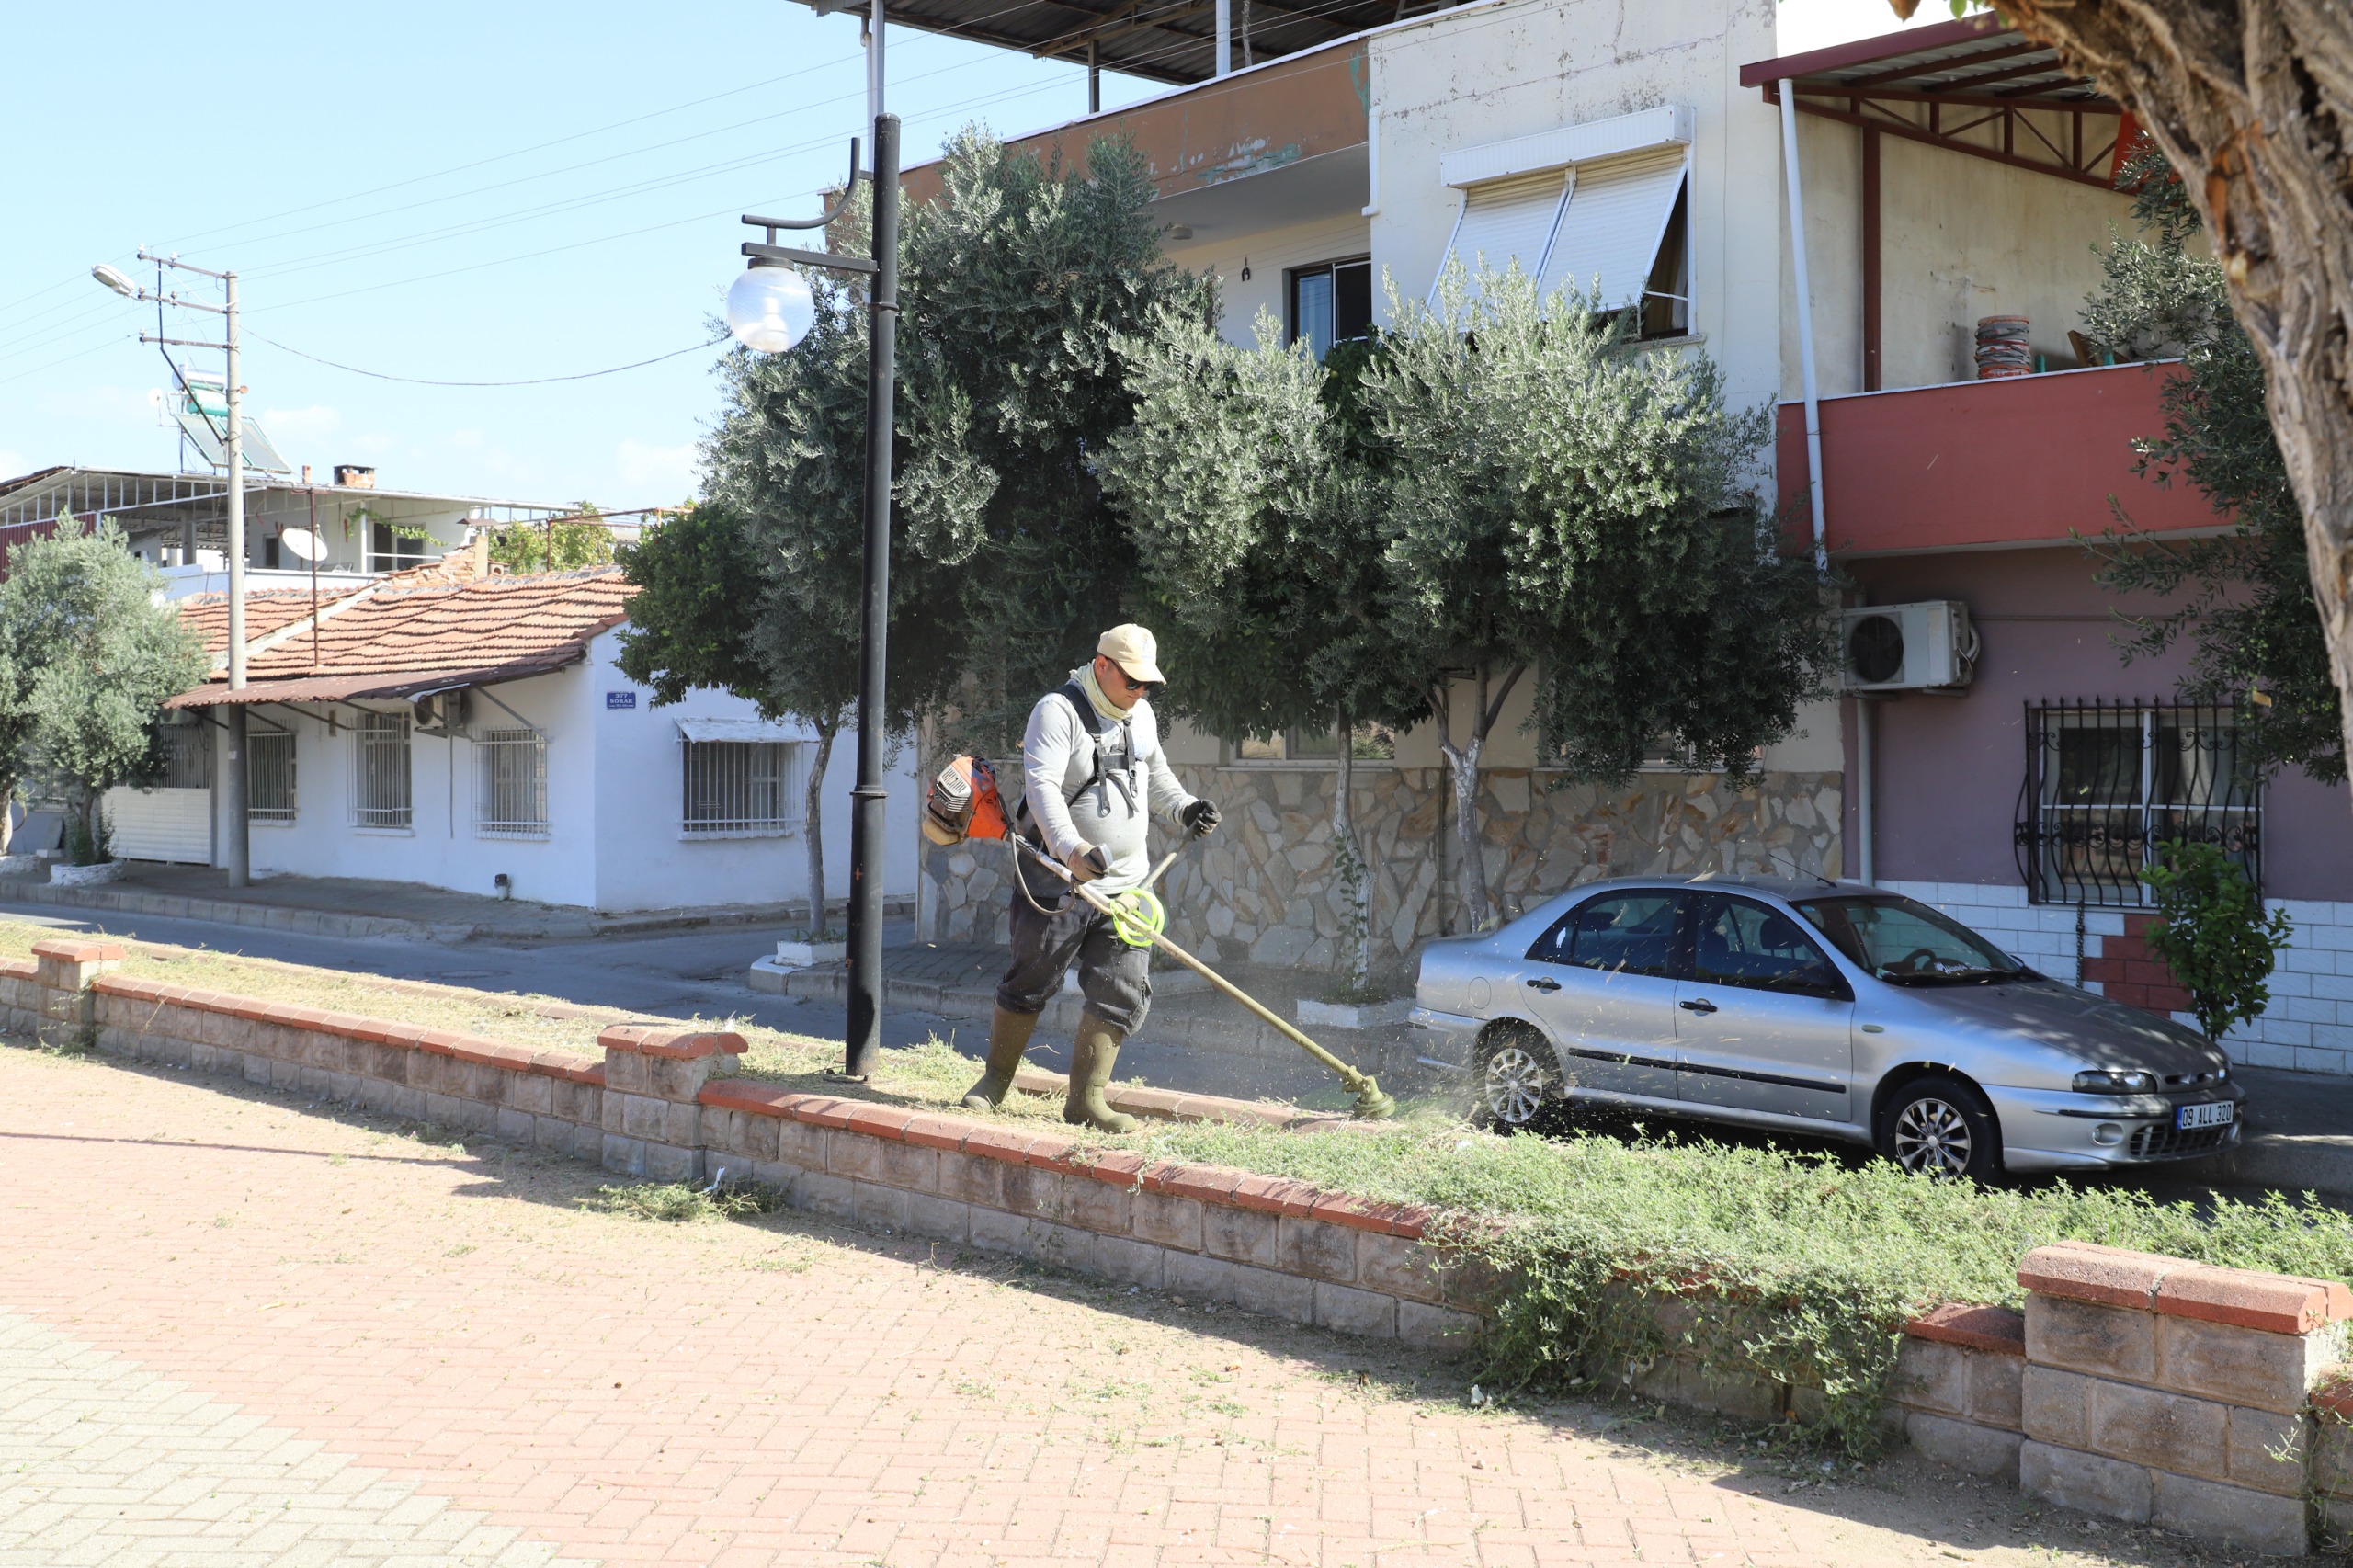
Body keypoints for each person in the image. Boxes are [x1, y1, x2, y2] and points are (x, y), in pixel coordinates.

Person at [961, 624, 1220, 1131]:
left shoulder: (1140, 713)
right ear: (1102, 665)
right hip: (1057, 878)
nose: (1140, 691)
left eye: (1148, 684)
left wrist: (1186, 809)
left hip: (1126, 887)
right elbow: (1043, 791)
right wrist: (1072, 849)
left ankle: (1086, 1101)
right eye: (1132, 680)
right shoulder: (1055, 713)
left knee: (1122, 989)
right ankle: (993, 1082)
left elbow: (1157, 776)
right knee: (1030, 979)